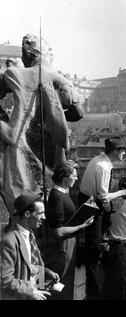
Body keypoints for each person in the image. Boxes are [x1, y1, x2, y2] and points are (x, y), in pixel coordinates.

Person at [0, 34, 83, 214]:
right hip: (51, 145)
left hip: (19, 140)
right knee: (51, 194)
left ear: (28, 54)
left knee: (22, 197)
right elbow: (78, 112)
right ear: (46, 54)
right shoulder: (57, 77)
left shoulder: (14, 73)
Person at [77, 136, 126, 299]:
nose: (124, 154)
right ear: (116, 151)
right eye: (122, 151)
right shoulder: (103, 167)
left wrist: (107, 209)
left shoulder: (99, 160)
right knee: (93, 244)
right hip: (91, 203)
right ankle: (93, 286)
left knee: (96, 239)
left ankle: (94, 277)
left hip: (89, 200)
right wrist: (123, 193)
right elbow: (103, 197)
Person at [45, 160, 94, 299]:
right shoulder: (57, 197)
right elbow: (58, 231)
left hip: (67, 245)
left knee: (62, 282)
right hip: (62, 248)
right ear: (64, 177)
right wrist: (82, 225)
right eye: (74, 175)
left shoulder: (62, 193)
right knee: (57, 281)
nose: (76, 178)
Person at [1, 191, 60, 300]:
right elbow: (5, 280)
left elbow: (31, 263)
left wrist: (46, 272)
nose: (44, 217)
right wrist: (30, 292)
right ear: (27, 214)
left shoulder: (30, 234)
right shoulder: (9, 241)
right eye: (40, 213)